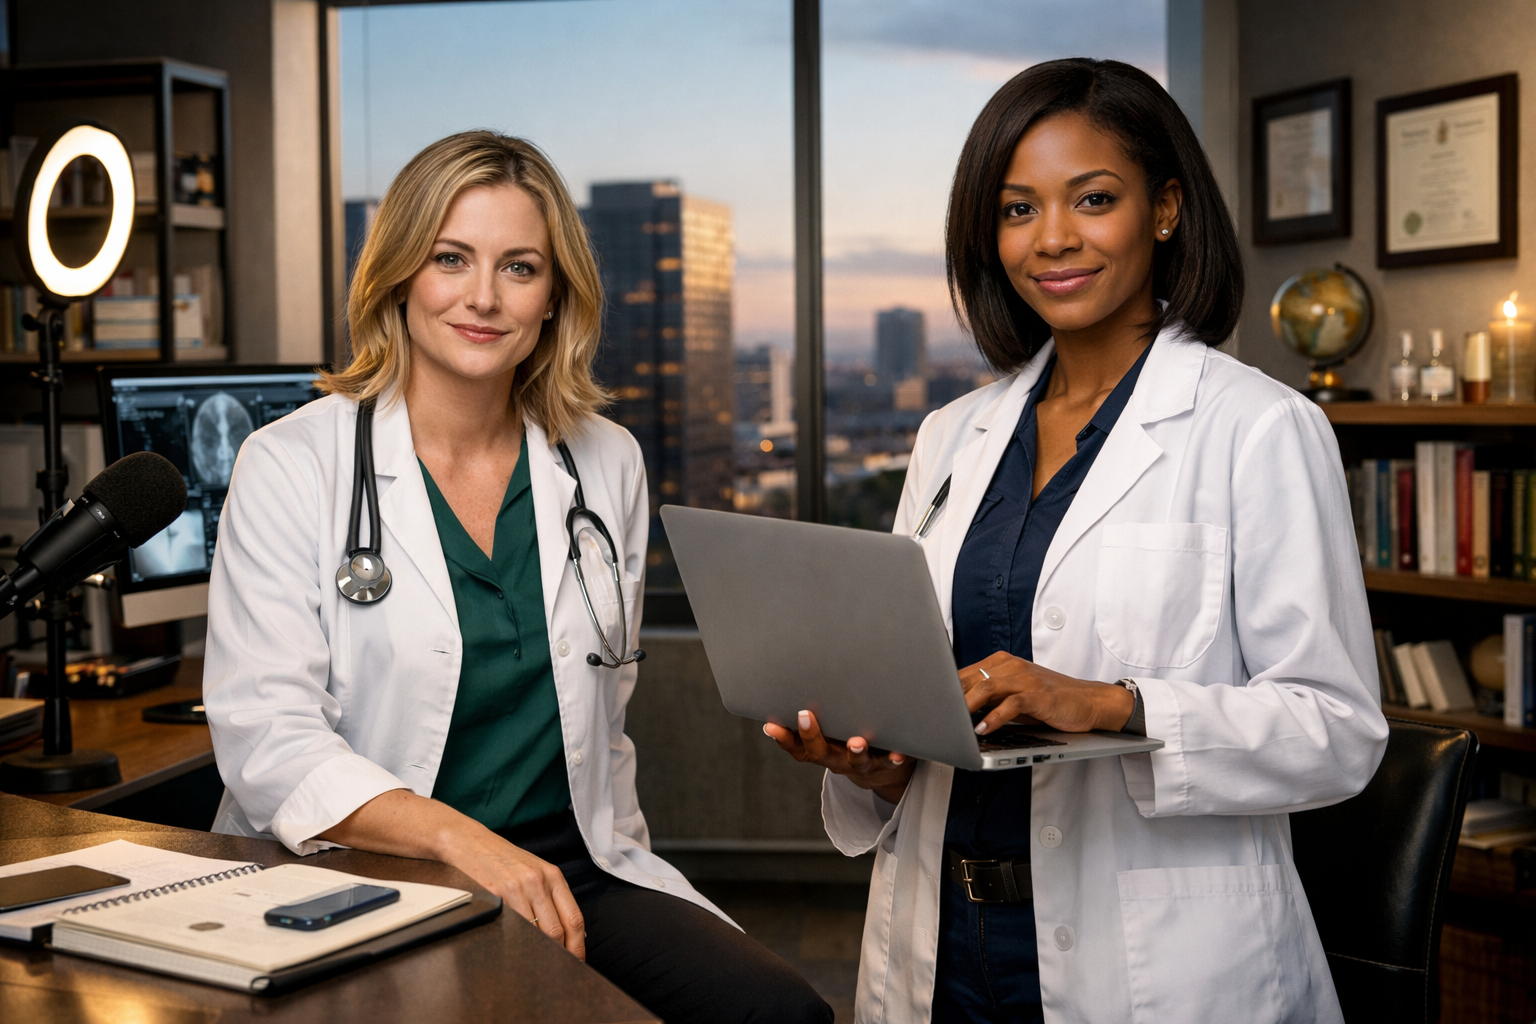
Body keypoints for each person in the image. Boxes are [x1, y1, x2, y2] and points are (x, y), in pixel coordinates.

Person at [766, 59, 1388, 1023]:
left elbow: (1337, 733)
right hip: (942, 946)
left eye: (1093, 199)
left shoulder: (1256, 428)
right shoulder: (949, 436)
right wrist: (876, 763)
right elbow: (920, 691)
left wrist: (1105, 705)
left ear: (1166, 208)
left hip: (1157, 968)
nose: (1053, 239)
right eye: (1017, 209)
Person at [203, 131, 831, 1024]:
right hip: (366, 873)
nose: (483, 297)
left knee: (777, 1016)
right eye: (450, 258)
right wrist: (467, 844)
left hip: (573, 866)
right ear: (398, 277)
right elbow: (268, 740)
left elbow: (605, 711)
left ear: (554, 297)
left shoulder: (604, 460)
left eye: (520, 267)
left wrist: (548, 860)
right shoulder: (291, 463)